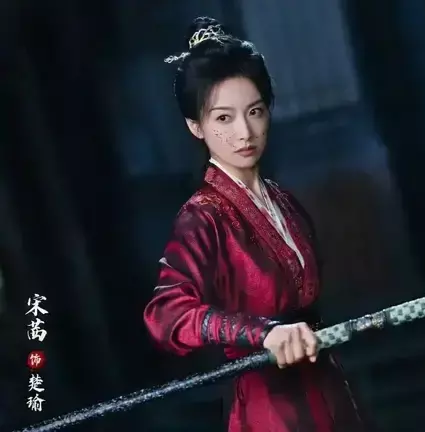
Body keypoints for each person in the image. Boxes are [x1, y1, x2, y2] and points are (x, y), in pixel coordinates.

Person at [143, 17, 367, 432]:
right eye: (223, 119)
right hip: (271, 410)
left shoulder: (284, 202)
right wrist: (263, 334)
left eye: (255, 112)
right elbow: (166, 315)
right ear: (196, 127)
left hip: (328, 390)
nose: (244, 132)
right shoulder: (202, 216)